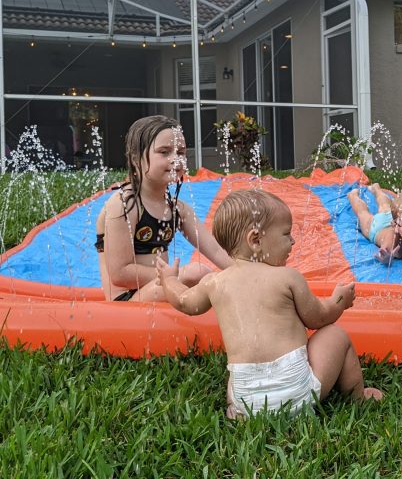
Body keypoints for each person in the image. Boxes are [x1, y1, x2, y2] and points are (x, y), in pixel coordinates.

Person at [155, 189, 384, 418]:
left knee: (237, 372)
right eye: (286, 234)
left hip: (244, 396)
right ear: (256, 240)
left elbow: (184, 302)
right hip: (296, 393)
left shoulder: (214, 282)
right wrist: (339, 300)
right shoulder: (287, 277)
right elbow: (320, 318)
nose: (293, 241)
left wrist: (169, 280)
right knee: (336, 335)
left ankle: (241, 411)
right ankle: (358, 396)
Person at [97, 115, 233, 302]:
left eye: (181, 152)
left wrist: (245, 274)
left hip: (160, 287)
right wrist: (175, 276)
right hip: (126, 300)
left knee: (201, 275)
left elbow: (216, 251)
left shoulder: (177, 209)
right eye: (164, 152)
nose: (175, 159)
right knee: (195, 273)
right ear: (136, 159)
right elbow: (120, 273)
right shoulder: (125, 204)